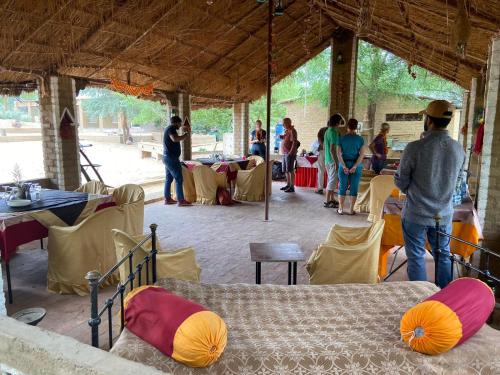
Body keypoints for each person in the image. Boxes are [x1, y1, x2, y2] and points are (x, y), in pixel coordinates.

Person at [394, 100, 465, 288]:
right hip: (444, 214)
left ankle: (420, 297)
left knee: (416, 255)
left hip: (416, 213)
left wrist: (413, 190)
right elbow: (458, 184)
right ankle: (443, 298)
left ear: (428, 120)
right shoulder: (458, 148)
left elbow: (401, 181)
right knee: (443, 254)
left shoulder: (415, 147)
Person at [337, 118, 365, 215]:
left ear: (347, 126)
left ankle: (340, 208)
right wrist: (355, 166)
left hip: (343, 163)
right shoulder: (360, 139)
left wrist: (344, 166)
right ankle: (350, 210)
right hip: (356, 165)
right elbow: (361, 155)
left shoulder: (342, 138)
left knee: (342, 187)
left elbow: (339, 154)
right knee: (354, 187)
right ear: (356, 127)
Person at [163, 115, 192, 206]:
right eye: (179, 123)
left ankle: (167, 199)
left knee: (168, 179)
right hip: (171, 158)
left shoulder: (169, 129)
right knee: (179, 179)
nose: (180, 126)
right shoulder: (171, 128)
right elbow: (175, 139)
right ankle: (181, 200)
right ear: (175, 123)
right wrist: (185, 135)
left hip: (167, 157)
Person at [323, 113, 344, 207]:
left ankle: (331, 199)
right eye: (340, 121)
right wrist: (336, 162)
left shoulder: (328, 131)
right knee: (332, 180)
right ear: (337, 122)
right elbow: (332, 149)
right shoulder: (333, 132)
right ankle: (327, 201)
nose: (340, 123)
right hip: (332, 160)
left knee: (331, 180)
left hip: (328, 159)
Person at [279, 117, 298, 193]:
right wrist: (283, 137)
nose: (283, 125)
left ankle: (292, 186)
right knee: (286, 170)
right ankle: (288, 184)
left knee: (290, 170)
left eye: (284, 123)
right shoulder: (287, 130)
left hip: (289, 153)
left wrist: (291, 152)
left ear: (288, 123)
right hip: (284, 153)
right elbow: (287, 139)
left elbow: (294, 142)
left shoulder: (293, 131)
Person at [315, 126, 328, 194]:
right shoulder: (333, 132)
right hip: (330, 152)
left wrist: (321, 145)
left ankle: (320, 188)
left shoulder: (322, 130)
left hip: (322, 151)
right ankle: (330, 189)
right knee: (331, 172)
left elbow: (319, 140)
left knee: (321, 171)